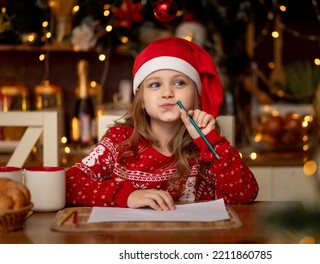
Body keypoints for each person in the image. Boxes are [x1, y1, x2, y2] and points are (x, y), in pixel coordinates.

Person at [66, 37, 259, 210]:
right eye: (155, 85)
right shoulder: (119, 141)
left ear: (196, 95)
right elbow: (69, 183)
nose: (167, 93)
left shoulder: (207, 147)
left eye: (179, 83)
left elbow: (244, 195)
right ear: (140, 99)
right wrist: (127, 195)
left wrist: (211, 142)